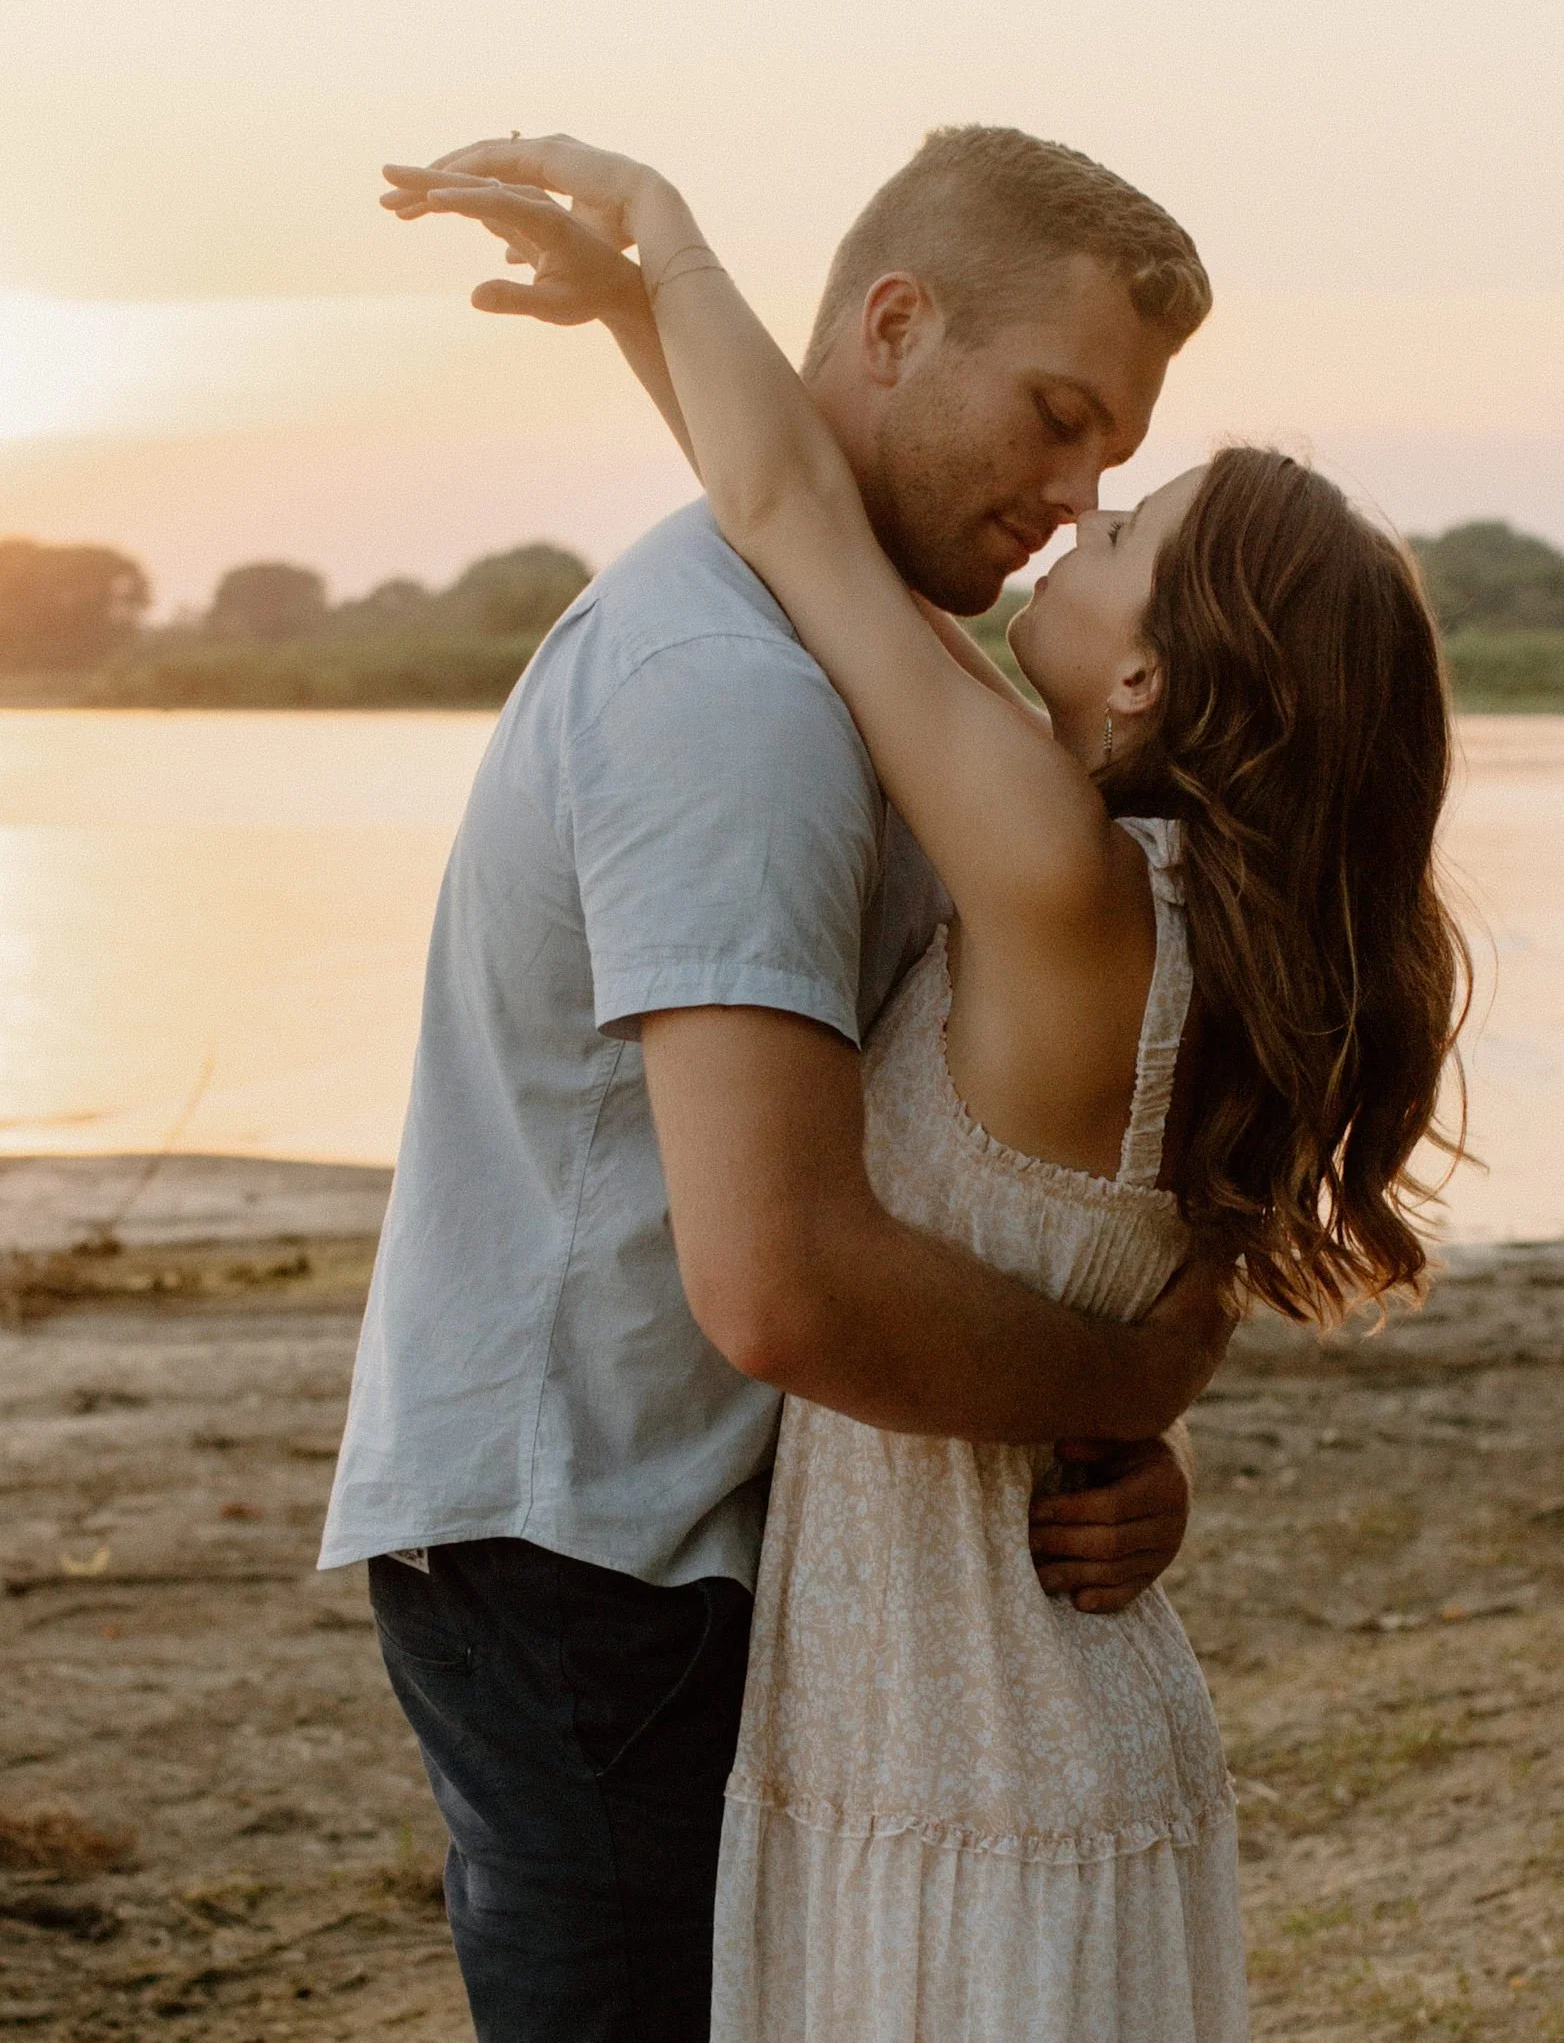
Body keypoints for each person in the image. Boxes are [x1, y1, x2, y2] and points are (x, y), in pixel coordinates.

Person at [398, 133, 1469, 2043]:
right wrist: (662, 313)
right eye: (1063, 433)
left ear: (1146, 681)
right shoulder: (1155, 899)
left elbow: (805, 510)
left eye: (1121, 522)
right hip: (1015, 1701)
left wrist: (672, 244)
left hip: (960, 1720)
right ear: (902, 323)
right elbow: (797, 496)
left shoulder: (1050, 866)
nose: (1075, 513)